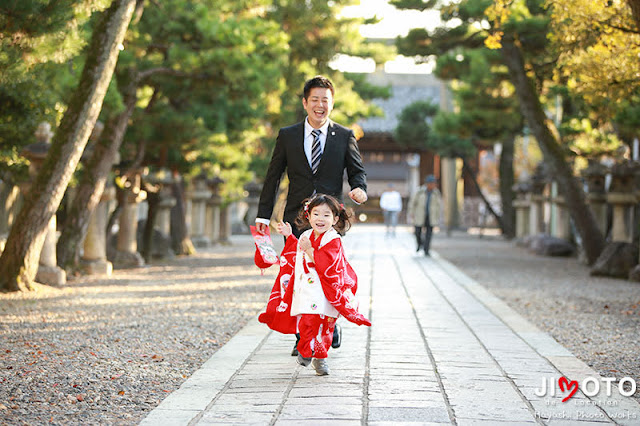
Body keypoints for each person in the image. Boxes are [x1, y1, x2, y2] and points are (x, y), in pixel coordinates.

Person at [255, 75, 368, 356]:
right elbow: (273, 177)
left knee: (329, 274)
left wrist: (359, 189)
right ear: (305, 102)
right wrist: (263, 215)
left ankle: (330, 324)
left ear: (332, 103)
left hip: (330, 220)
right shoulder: (288, 135)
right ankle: (301, 334)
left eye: (325, 100)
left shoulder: (344, 136)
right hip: (297, 219)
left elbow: (357, 171)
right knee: (297, 275)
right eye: (315, 99)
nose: (320, 105)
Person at [258, 194, 371, 376]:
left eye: (326, 215)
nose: (320, 219)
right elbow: (297, 252)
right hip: (308, 290)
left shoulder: (334, 239)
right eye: (316, 214)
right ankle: (306, 350)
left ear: (335, 219)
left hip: (326, 292)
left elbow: (329, 264)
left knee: (326, 326)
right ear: (308, 216)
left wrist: (310, 249)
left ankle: (321, 357)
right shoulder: (306, 235)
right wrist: (290, 237)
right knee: (307, 322)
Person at [408, 174, 442, 256]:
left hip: (431, 216)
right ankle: (420, 244)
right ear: (426, 183)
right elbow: (413, 202)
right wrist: (411, 212)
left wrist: (438, 216)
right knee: (417, 232)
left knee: (429, 234)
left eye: (433, 183)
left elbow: (438, 206)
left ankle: (426, 250)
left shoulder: (436, 193)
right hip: (419, 214)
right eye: (430, 183)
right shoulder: (420, 191)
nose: (432, 185)